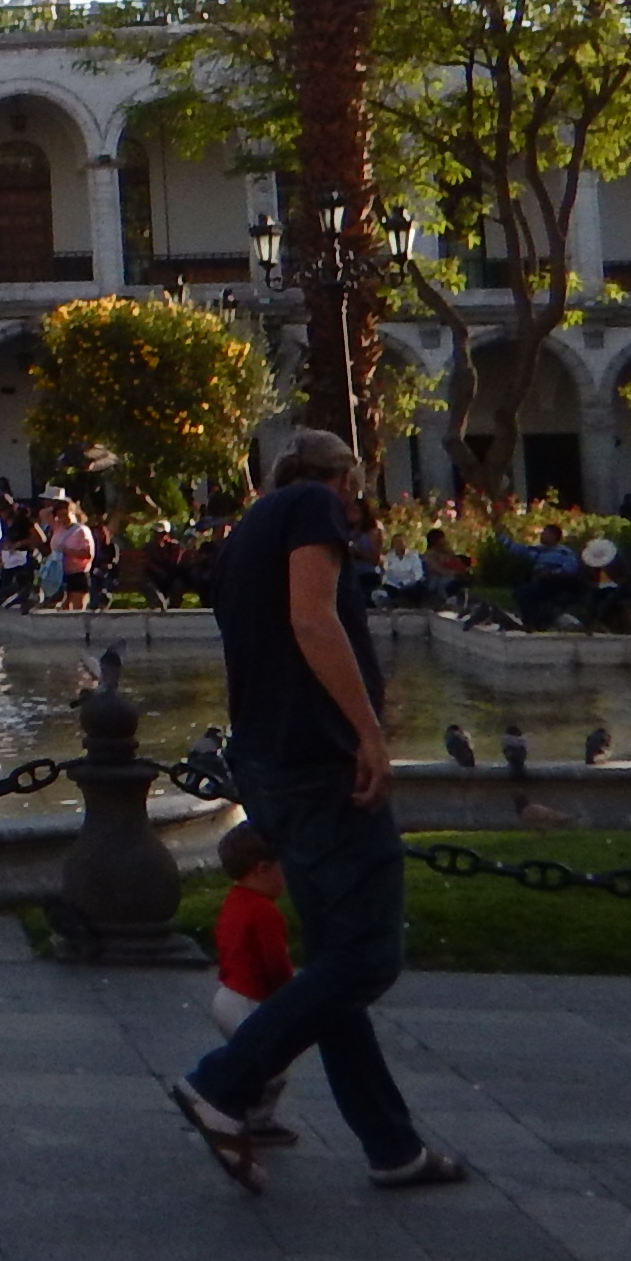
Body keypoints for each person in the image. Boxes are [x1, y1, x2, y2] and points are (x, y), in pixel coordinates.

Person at [171, 431, 467, 1192]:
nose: (355, 511)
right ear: (340, 480)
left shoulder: (245, 534)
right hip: (316, 762)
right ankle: (224, 1084)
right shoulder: (310, 506)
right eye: (357, 492)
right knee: (367, 957)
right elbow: (312, 619)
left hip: (268, 761)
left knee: (337, 961)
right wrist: (368, 731)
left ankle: (391, 1147)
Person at [204, 824, 298, 1141]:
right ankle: (253, 1120)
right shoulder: (265, 913)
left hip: (227, 994)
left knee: (248, 1057)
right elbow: (275, 962)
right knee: (270, 1066)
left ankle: (241, 1111)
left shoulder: (234, 901)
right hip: (250, 998)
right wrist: (292, 993)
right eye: (283, 869)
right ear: (263, 869)